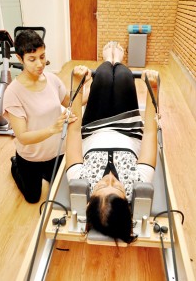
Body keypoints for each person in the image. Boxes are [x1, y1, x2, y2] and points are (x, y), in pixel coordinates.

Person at [66, 42, 158, 244]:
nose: (108, 179)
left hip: (94, 125)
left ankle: (110, 57)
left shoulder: (78, 179)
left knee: (105, 74)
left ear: (89, 200)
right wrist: (153, 89)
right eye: (116, 185)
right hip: (128, 126)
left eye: (100, 186)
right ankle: (118, 60)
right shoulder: (139, 183)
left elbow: (72, 131)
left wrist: (78, 85)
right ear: (127, 201)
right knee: (124, 74)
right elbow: (151, 133)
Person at [3, 29, 78, 203]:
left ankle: (46, 171)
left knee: (62, 192)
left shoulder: (52, 79)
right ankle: (15, 165)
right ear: (20, 59)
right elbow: (22, 137)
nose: (40, 64)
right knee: (33, 198)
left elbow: (70, 102)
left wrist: (89, 83)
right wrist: (53, 128)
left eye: (42, 57)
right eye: (32, 59)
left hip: (57, 153)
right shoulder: (13, 93)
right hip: (31, 157)